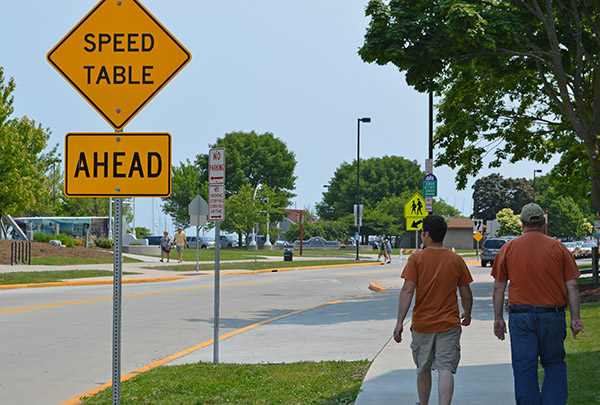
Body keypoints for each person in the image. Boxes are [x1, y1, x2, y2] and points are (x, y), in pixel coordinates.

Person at [491, 203, 584, 404]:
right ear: (543, 222)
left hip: (520, 316)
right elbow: (572, 286)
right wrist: (575, 318)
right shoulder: (558, 248)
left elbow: (499, 287)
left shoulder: (508, 248)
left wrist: (498, 318)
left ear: (522, 223)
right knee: (554, 363)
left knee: (524, 366)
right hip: (553, 315)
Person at [393, 215, 473, 405]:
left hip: (423, 325)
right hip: (449, 324)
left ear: (427, 234)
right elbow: (466, 292)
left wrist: (399, 322)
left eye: (422, 233)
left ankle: (424, 403)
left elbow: (407, 290)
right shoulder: (456, 260)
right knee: (446, 368)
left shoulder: (416, 259)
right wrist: (467, 313)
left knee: (423, 367)